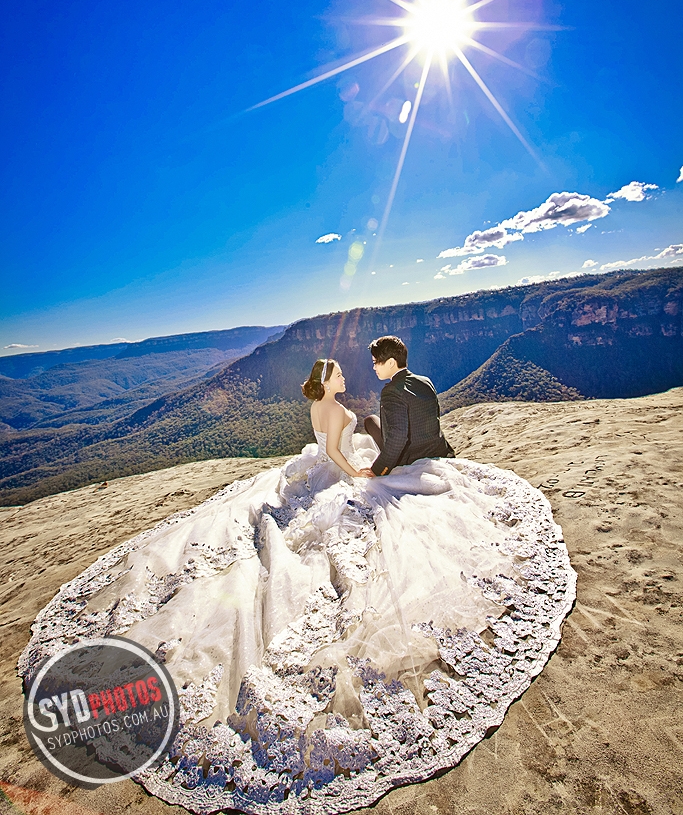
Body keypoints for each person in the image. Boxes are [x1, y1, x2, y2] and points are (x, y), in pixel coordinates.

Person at [20, 349, 576, 813]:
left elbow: (332, 440)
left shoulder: (322, 403)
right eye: (340, 373)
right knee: (354, 541)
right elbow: (334, 451)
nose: (348, 375)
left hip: (332, 465)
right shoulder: (334, 406)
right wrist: (360, 473)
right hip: (339, 471)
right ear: (328, 381)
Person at [362, 335, 454, 477]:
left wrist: (378, 469)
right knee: (371, 421)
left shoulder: (391, 391)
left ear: (391, 363)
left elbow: (398, 436)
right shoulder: (425, 381)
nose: (374, 367)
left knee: (369, 422)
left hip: (410, 459)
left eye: (376, 362)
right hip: (437, 450)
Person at [301, 357, 374, 478]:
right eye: (338, 375)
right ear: (325, 382)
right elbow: (331, 450)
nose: (343, 378)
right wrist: (355, 473)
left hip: (322, 464)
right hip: (341, 465)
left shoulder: (315, 405)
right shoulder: (336, 410)